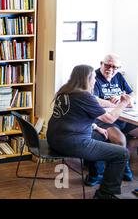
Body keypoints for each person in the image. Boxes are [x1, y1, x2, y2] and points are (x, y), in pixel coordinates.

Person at [47, 64, 130, 199]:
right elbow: (110, 118)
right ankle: (105, 194)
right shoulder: (84, 96)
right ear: (87, 78)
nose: (95, 81)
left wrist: (95, 127)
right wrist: (123, 103)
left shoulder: (65, 91)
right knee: (122, 153)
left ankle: (94, 175)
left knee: (102, 136)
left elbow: (71, 117)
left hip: (55, 139)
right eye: (94, 77)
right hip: (72, 143)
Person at [85, 54, 138, 186]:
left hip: (123, 117)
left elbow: (132, 94)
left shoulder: (119, 76)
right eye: (108, 65)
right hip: (103, 119)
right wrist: (117, 103)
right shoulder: (93, 77)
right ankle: (122, 168)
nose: (111, 69)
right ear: (101, 63)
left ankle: (123, 165)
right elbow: (93, 100)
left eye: (115, 67)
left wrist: (128, 100)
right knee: (120, 140)